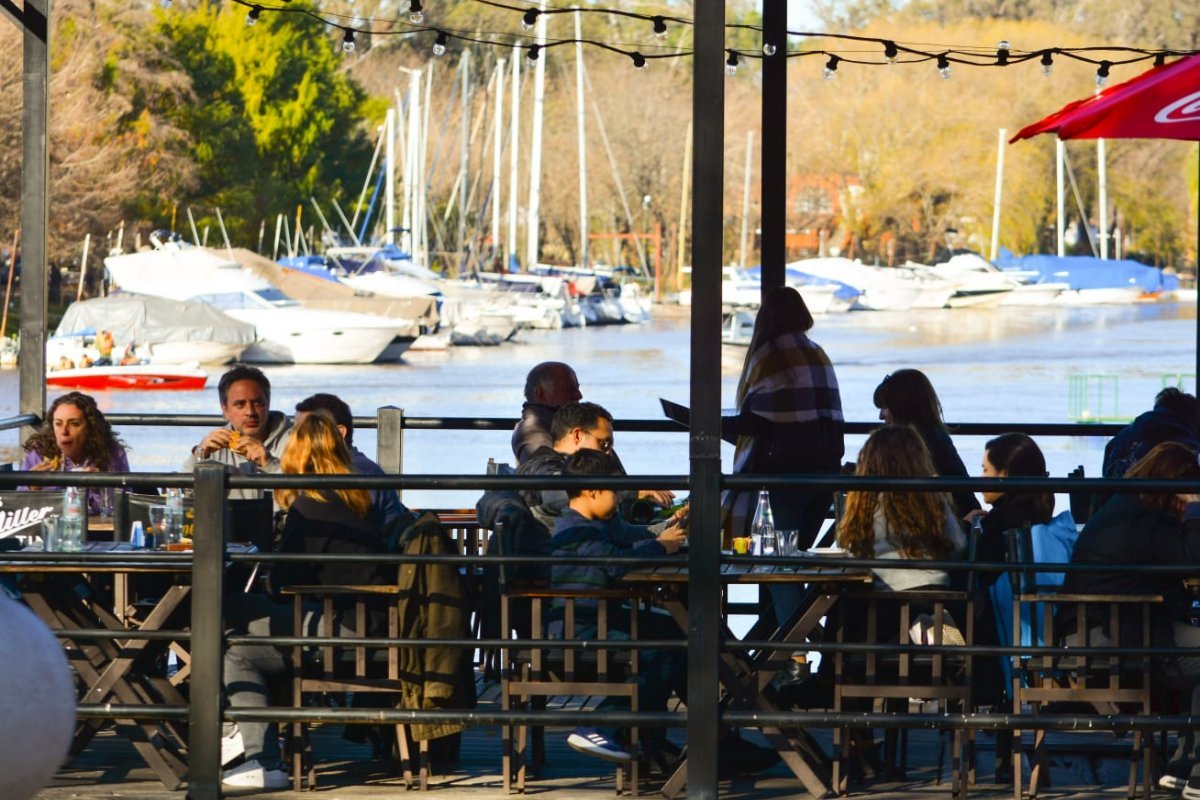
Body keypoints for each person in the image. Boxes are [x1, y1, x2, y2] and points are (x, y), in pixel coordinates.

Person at [220, 413, 389, 791]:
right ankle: (244, 733)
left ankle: (258, 756)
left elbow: (280, 583)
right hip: (375, 623)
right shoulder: (355, 497)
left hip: (345, 631)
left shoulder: (309, 506)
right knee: (235, 618)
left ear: (297, 455)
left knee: (235, 644)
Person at [1059, 442, 1200, 796]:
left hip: (1100, 627)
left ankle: (1185, 766)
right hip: (1110, 634)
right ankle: (1193, 771)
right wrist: (1195, 509)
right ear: (1176, 484)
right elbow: (1190, 559)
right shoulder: (1146, 518)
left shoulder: (1128, 507)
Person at [549, 448, 688, 766]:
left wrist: (666, 531)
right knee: (662, 649)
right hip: (579, 629)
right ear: (593, 491)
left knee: (675, 629)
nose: (619, 499)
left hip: (597, 618)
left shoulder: (596, 522)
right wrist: (659, 547)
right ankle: (601, 726)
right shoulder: (576, 531)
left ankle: (652, 740)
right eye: (615, 491)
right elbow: (615, 562)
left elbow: (627, 539)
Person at [722, 286, 844, 550]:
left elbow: (758, 422)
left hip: (785, 477)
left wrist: (709, 424)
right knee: (795, 555)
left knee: (777, 558)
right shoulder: (818, 353)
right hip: (827, 474)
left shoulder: (769, 357)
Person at [839, 424, 967, 595]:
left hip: (888, 593)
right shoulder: (931, 496)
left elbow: (854, 551)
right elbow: (958, 544)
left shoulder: (868, 501)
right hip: (938, 590)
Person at [518, 401, 673, 532]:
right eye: (603, 444)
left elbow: (622, 532)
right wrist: (633, 491)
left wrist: (669, 525)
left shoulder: (589, 474)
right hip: (567, 556)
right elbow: (563, 491)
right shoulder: (541, 468)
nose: (608, 453)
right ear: (577, 435)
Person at [873, 369, 980, 519]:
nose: (881, 416)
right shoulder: (935, 437)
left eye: (885, 407)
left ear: (902, 407)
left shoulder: (912, 445)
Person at [294, 393, 412, 530]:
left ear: (339, 433)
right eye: (294, 431)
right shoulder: (337, 468)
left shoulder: (357, 473)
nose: (294, 439)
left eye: (304, 432)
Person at [186, 365, 291, 499]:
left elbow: (310, 496)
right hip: (230, 513)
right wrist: (198, 456)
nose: (250, 412)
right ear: (225, 409)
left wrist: (270, 464)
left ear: (268, 403)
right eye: (240, 404)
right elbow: (183, 495)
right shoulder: (213, 445)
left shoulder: (296, 440)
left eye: (257, 403)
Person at [21, 391, 130, 515]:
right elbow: (16, 509)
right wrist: (32, 488)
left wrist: (100, 488)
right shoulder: (39, 455)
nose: (64, 431)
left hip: (95, 527)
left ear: (90, 428)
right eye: (58, 424)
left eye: (74, 424)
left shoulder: (112, 454)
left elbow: (123, 509)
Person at [1102, 387, 1200, 479]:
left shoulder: (1121, 438)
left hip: (1116, 490)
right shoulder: (1186, 447)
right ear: (1194, 419)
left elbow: (1107, 474)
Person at [512, 361, 582, 465]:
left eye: (577, 387)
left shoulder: (548, 427)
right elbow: (546, 471)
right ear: (540, 394)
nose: (579, 395)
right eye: (568, 389)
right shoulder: (535, 435)